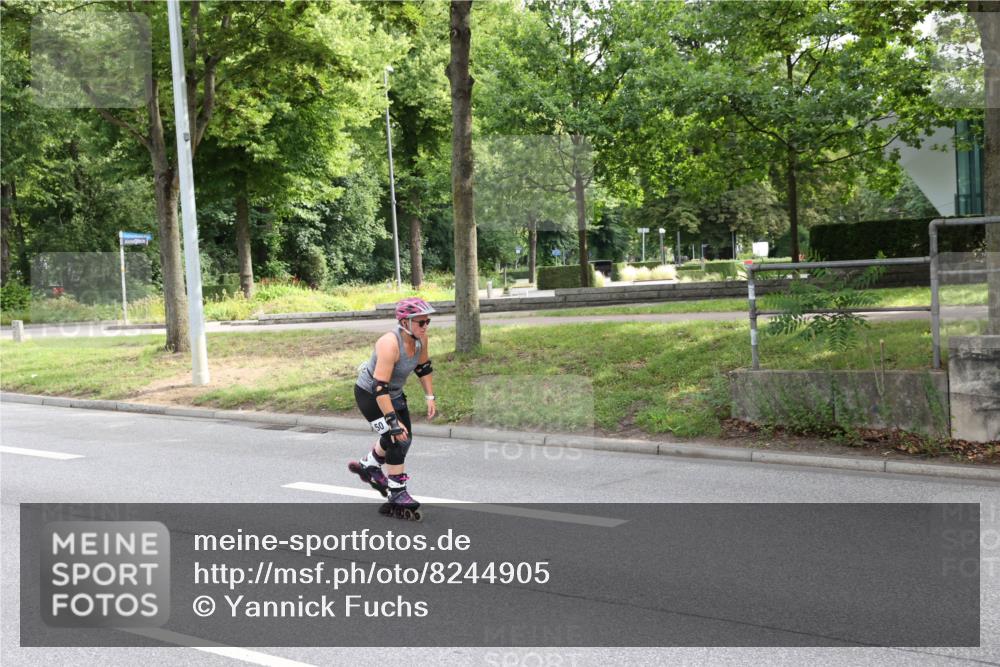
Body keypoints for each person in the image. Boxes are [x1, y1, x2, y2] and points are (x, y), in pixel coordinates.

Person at [348, 297, 436, 518]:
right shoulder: (389, 343)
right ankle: (397, 492)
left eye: (428, 321)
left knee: (404, 438)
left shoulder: (420, 340)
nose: (425, 326)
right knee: (396, 436)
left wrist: (430, 396)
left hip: (393, 394)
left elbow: (423, 368)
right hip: (370, 395)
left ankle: (370, 465)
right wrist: (392, 422)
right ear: (405, 322)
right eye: (421, 322)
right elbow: (379, 388)